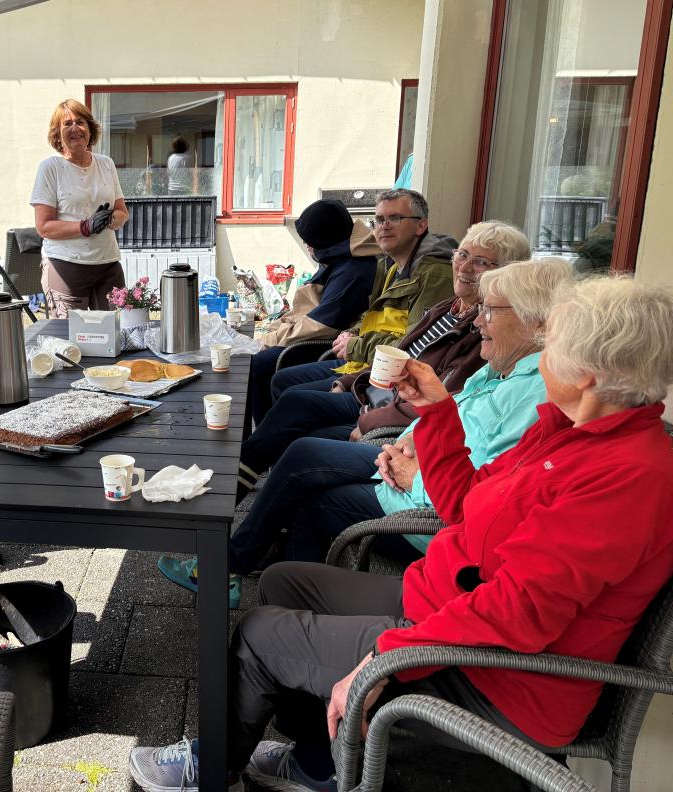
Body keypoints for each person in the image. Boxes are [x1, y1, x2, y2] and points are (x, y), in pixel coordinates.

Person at [131, 274, 673, 792]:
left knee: (258, 636)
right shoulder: (569, 433)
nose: (540, 355)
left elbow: (520, 614)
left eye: (550, 345)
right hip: (446, 606)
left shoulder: (627, 477)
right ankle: (319, 761)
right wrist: (437, 411)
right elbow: (464, 503)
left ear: (587, 374)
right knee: (282, 581)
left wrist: (388, 653)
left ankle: (212, 768)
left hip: (503, 677)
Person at [159, 258, 568, 607]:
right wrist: (403, 443)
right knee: (299, 439)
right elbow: (445, 416)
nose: (479, 319)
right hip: (405, 459)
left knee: (305, 467)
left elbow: (478, 496)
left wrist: (410, 468)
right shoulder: (501, 367)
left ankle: (246, 578)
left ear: (536, 319)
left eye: (491, 311)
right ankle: (259, 584)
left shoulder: (535, 394)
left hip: (425, 508)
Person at [239, 220, 530, 494]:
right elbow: (400, 350)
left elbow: (442, 401)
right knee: (292, 399)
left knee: (300, 421)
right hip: (376, 392)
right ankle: (244, 483)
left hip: (393, 414)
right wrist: (354, 380)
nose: (464, 267)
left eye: (481, 262)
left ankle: (238, 491)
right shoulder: (447, 307)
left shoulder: (487, 333)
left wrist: (368, 420)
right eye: (462, 255)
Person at [257, 188, 456, 424]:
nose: (384, 226)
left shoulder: (434, 274)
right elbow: (372, 315)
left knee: (289, 396)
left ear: (421, 226)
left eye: (395, 218)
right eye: (379, 219)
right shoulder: (391, 265)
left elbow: (413, 345)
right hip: (362, 359)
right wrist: (352, 333)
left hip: (383, 376)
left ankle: (258, 455)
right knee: (284, 383)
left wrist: (356, 349)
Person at [247, 199, 379, 423]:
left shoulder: (353, 270)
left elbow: (321, 325)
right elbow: (309, 309)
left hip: (327, 345)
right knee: (257, 356)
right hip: (325, 336)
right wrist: (274, 328)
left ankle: (264, 430)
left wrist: (270, 338)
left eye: (309, 242)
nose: (308, 248)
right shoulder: (341, 257)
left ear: (323, 241)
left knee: (258, 363)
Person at [31, 99, 130, 317]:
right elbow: (44, 227)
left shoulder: (106, 164)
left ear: (90, 129)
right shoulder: (50, 168)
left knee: (115, 331)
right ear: (57, 134)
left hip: (107, 262)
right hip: (65, 264)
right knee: (70, 340)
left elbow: (123, 212)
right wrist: (86, 226)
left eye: (80, 122)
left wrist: (110, 219)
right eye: (67, 124)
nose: (75, 128)